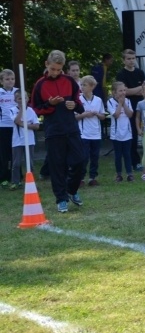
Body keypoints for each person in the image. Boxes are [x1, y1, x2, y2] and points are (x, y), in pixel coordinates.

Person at [31, 50, 86, 212]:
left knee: (80, 161)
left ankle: (72, 190)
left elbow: (79, 103)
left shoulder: (70, 81)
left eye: (58, 69)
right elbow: (35, 109)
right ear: (47, 65)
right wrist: (51, 105)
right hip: (53, 131)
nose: (55, 72)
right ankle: (61, 199)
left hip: (71, 128)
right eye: (53, 69)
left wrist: (74, 105)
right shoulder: (40, 84)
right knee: (57, 166)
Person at [116, 49, 145, 170]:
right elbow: (125, 91)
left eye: (133, 58)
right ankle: (135, 162)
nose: (131, 61)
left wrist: (138, 90)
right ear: (123, 60)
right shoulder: (121, 74)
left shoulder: (140, 72)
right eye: (128, 58)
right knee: (133, 134)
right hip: (129, 105)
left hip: (142, 104)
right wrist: (139, 88)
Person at [76, 75, 106, 186]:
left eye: (85, 85)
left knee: (95, 157)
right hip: (83, 133)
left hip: (96, 134)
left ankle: (92, 177)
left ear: (92, 86)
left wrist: (97, 114)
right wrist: (84, 115)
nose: (82, 87)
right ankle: (81, 178)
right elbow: (74, 116)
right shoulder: (78, 99)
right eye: (81, 84)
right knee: (83, 157)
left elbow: (103, 116)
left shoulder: (98, 100)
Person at [9, 90, 39, 190]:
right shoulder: (12, 110)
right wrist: (21, 109)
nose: (22, 100)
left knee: (29, 163)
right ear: (15, 100)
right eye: (19, 98)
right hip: (17, 141)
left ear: (28, 98)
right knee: (16, 163)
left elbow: (36, 126)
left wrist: (24, 125)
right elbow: (17, 121)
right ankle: (15, 182)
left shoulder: (31, 110)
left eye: (24, 98)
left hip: (29, 141)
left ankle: (30, 182)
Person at [108, 81, 134, 182]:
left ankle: (129, 173)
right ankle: (119, 174)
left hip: (127, 132)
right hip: (116, 134)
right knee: (118, 155)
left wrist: (124, 104)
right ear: (114, 92)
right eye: (120, 91)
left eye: (124, 90)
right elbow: (116, 115)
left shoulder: (127, 101)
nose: (123, 92)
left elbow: (130, 114)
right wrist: (119, 104)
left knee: (127, 154)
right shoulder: (110, 102)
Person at [0, 68, 18, 188]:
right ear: (2, 81)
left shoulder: (18, 92)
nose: (10, 81)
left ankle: (16, 177)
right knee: (3, 154)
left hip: (16, 126)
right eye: (7, 79)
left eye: (12, 79)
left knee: (15, 153)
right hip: (2, 126)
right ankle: (3, 177)